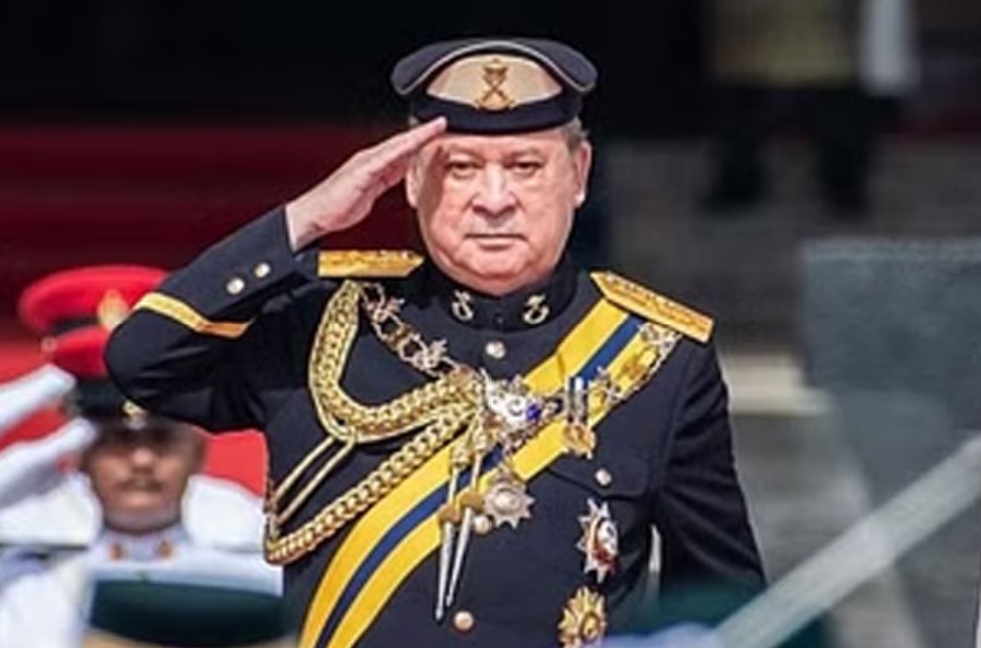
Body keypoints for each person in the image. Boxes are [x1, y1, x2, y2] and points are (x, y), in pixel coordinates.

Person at [105, 36, 764, 648]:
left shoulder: (656, 355)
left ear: (579, 173)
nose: (494, 199)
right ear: (413, 180)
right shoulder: (323, 317)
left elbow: (721, 606)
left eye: (525, 166)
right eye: (461, 168)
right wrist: (305, 220)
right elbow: (142, 363)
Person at [0, 266, 280, 647]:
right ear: (80, 454)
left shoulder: (250, 544)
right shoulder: (24, 557)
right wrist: (42, 386)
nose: (143, 460)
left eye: (162, 440)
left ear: (197, 451)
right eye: (117, 441)